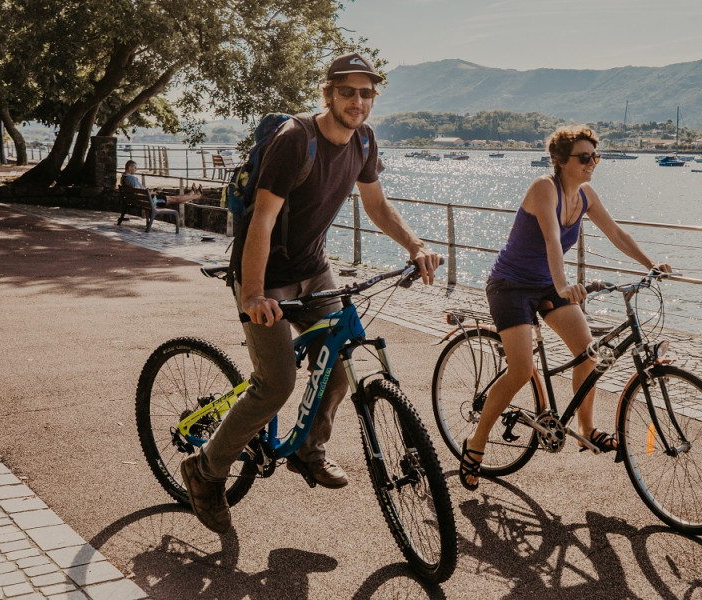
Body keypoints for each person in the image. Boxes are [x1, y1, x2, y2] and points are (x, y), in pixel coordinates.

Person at [180, 52, 440, 533]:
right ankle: (205, 470)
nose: (358, 101)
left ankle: (307, 450)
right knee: (275, 385)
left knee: (338, 370)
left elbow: (377, 205)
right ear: (328, 93)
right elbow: (262, 218)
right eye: (347, 91)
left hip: (314, 270)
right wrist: (254, 294)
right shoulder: (296, 139)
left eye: (366, 93)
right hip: (265, 275)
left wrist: (416, 244)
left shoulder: (363, 140)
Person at [460, 125, 670, 490]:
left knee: (588, 352)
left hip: (545, 283)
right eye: (584, 157)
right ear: (560, 160)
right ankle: (475, 445)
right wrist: (562, 285)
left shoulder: (586, 194)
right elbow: (552, 238)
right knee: (522, 368)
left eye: (596, 155)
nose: (593, 163)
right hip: (510, 285)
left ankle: (586, 429)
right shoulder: (544, 188)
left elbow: (617, 233)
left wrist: (650, 265)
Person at [120, 160, 202, 207]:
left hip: (143, 200)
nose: (136, 169)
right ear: (130, 167)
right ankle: (196, 196)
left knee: (172, 197)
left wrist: (150, 191)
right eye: (135, 167)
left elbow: (138, 191)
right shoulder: (132, 178)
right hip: (150, 201)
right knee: (174, 199)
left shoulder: (123, 177)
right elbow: (139, 193)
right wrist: (151, 192)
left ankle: (190, 194)